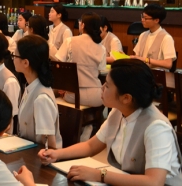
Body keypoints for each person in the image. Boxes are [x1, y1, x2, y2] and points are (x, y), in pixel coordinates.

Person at [39, 59, 182, 186]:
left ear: (126, 98)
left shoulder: (156, 127)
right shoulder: (118, 111)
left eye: (107, 86)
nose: (101, 88)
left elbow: (154, 182)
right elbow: (91, 145)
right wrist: (57, 154)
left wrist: (99, 175)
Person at [15, 35, 62, 149]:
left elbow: (49, 146)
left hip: (37, 159)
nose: (13, 59)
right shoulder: (31, 86)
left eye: (15, 55)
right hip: (25, 150)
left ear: (25, 63)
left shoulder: (41, 98)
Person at [55, 12, 105, 108]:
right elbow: (100, 71)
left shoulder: (70, 41)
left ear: (83, 25)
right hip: (97, 97)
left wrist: (63, 87)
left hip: (74, 95)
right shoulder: (101, 47)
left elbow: (59, 67)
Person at [131, 4, 176, 71]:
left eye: (145, 18)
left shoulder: (166, 38)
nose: (142, 20)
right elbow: (138, 56)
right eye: (142, 17)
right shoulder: (143, 35)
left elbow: (168, 64)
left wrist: (146, 60)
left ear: (156, 20)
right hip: (142, 72)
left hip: (158, 75)